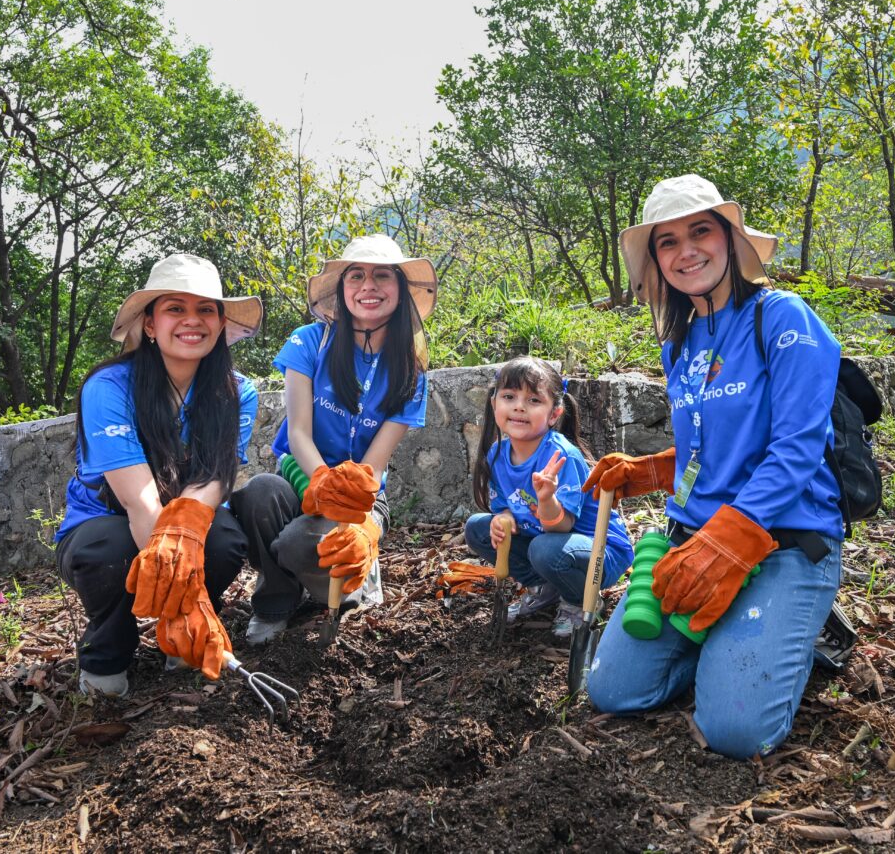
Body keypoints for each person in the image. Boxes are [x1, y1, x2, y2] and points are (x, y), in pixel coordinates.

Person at [583, 174, 844, 759]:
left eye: (700, 231)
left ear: (730, 238)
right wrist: (649, 472)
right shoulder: (680, 341)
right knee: (612, 690)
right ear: (656, 261)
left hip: (784, 541)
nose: (686, 251)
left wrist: (729, 540)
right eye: (667, 242)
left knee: (734, 732)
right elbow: (712, 450)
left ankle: (789, 629)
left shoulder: (781, 318)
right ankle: (734, 640)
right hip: (693, 541)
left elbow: (796, 448)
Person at [55, 253, 263, 698]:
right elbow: (138, 501)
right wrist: (186, 593)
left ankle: (185, 642)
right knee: (105, 552)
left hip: (183, 513)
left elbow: (216, 475)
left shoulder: (237, 391)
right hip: (111, 519)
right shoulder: (109, 388)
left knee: (223, 541)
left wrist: (186, 535)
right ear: (149, 324)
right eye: (175, 308)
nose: (193, 321)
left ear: (222, 322)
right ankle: (107, 656)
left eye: (206, 309)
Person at [232, 235, 434, 644]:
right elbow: (299, 433)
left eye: (382, 276)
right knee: (258, 494)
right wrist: (321, 479)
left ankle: (352, 574)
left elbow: (372, 465)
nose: (368, 286)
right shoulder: (309, 341)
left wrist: (356, 521)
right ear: (341, 290)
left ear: (401, 289)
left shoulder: (411, 372)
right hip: (301, 473)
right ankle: (274, 602)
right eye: (355, 276)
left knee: (301, 545)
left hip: (362, 492)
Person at [464, 356, 633, 636]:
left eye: (533, 400)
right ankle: (545, 588)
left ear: (554, 414)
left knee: (543, 548)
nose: (519, 406)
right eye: (509, 396)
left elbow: (561, 526)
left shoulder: (561, 456)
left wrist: (545, 499)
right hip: (546, 544)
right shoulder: (497, 455)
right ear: (494, 403)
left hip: (597, 552)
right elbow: (505, 506)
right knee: (478, 528)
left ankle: (580, 600)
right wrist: (502, 520)